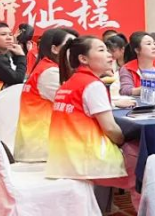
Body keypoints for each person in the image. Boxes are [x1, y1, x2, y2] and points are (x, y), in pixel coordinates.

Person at [46, 36, 138, 189]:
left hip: (62, 159)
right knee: (142, 159)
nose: (109, 55)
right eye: (101, 50)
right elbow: (110, 129)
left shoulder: (69, 83)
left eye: (107, 50)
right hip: (87, 161)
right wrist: (122, 142)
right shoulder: (92, 85)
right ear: (83, 58)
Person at [14, 28, 78, 162]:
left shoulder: (49, 68)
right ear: (54, 49)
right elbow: (78, 105)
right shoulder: (50, 73)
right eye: (70, 45)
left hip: (44, 144)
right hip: (42, 150)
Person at [0, 22, 27, 109]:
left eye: (10, 34)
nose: (9, 37)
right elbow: (16, 79)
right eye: (3, 34)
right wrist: (21, 56)